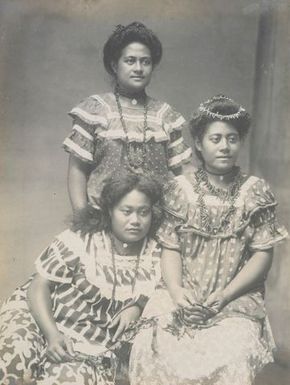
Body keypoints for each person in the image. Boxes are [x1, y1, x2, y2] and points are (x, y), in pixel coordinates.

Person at [129, 95, 288, 385]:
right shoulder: (179, 189)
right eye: (216, 139)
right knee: (149, 345)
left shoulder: (256, 191)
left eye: (233, 139)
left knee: (233, 353)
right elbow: (171, 247)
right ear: (199, 144)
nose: (225, 146)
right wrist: (177, 292)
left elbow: (262, 256)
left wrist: (225, 296)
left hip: (234, 300)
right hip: (181, 294)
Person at [0, 172, 163, 385]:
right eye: (126, 211)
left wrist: (138, 306)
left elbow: (162, 295)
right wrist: (52, 334)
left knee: (68, 379)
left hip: (88, 340)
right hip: (41, 316)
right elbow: (39, 286)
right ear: (110, 211)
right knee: (13, 354)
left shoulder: (157, 254)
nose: (135, 220)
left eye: (144, 212)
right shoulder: (82, 239)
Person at [63, 21, 192, 216]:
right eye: (130, 61)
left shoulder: (165, 115)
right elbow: (77, 170)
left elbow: (184, 173)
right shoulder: (95, 110)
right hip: (102, 219)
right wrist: (82, 218)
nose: (139, 68)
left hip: (156, 221)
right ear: (115, 65)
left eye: (145, 62)